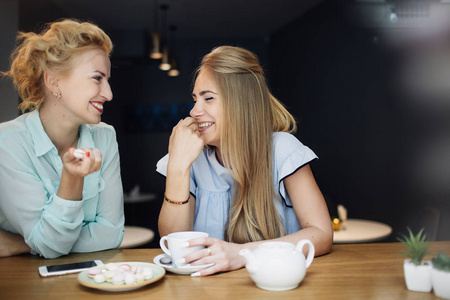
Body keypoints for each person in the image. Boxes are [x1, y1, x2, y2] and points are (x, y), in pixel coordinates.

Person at [156, 45, 333, 276]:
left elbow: (321, 234)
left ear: (241, 102)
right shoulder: (192, 159)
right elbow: (172, 243)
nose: (194, 111)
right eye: (195, 99)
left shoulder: (282, 149)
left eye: (208, 98)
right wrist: (178, 166)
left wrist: (242, 254)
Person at [0, 19, 124, 258]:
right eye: (97, 78)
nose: (108, 94)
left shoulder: (105, 136)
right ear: (53, 80)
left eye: (107, 80)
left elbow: (111, 233)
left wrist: (23, 244)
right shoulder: (8, 143)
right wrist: (72, 178)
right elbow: (48, 245)